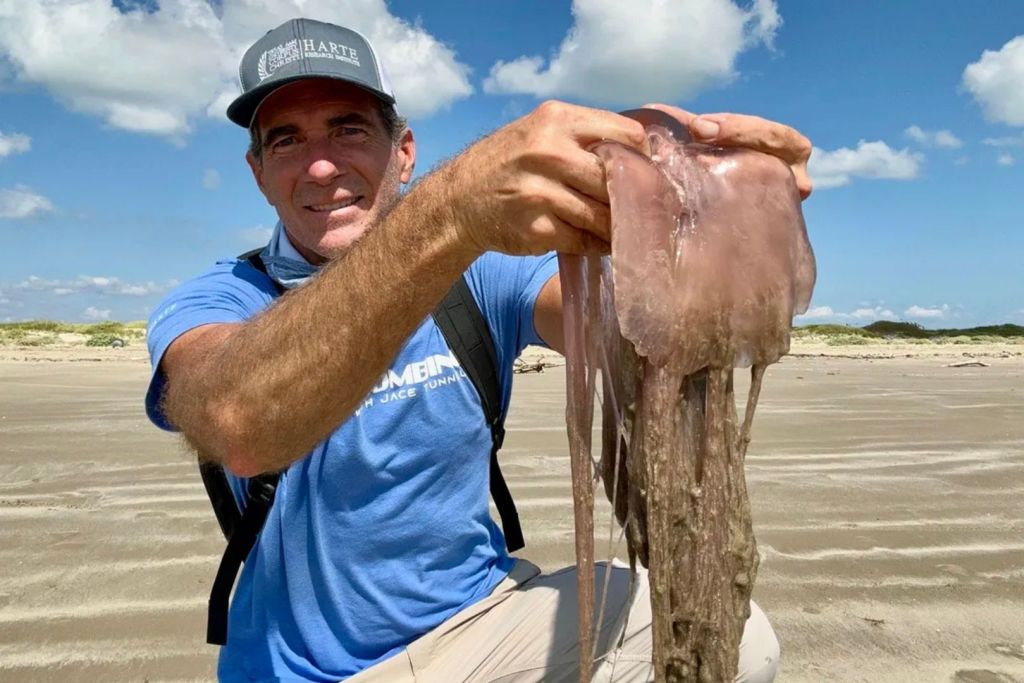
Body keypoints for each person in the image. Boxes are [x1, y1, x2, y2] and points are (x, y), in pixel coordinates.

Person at [145, 17, 813, 683]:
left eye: (348, 127)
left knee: (743, 640)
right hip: (308, 671)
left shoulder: (480, 278)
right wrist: (451, 210)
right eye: (286, 140)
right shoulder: (218, 298)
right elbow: (238, 421)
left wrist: (689, 197)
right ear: (258, 172)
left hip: (479, 627)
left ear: (403, 150)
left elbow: (628, 328)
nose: (321, 165)